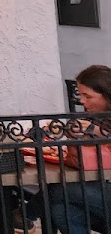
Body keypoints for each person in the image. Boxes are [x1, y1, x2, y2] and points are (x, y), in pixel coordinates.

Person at [47, 64, 111, 233]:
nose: (82, 101)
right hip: (101, 187)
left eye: (87, 96)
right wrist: (75, 134)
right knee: (62, 210)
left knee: (58, 188)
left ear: (106, 95)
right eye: (80, 95)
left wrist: (96, 131)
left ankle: (24, 216)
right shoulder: (97, 117)